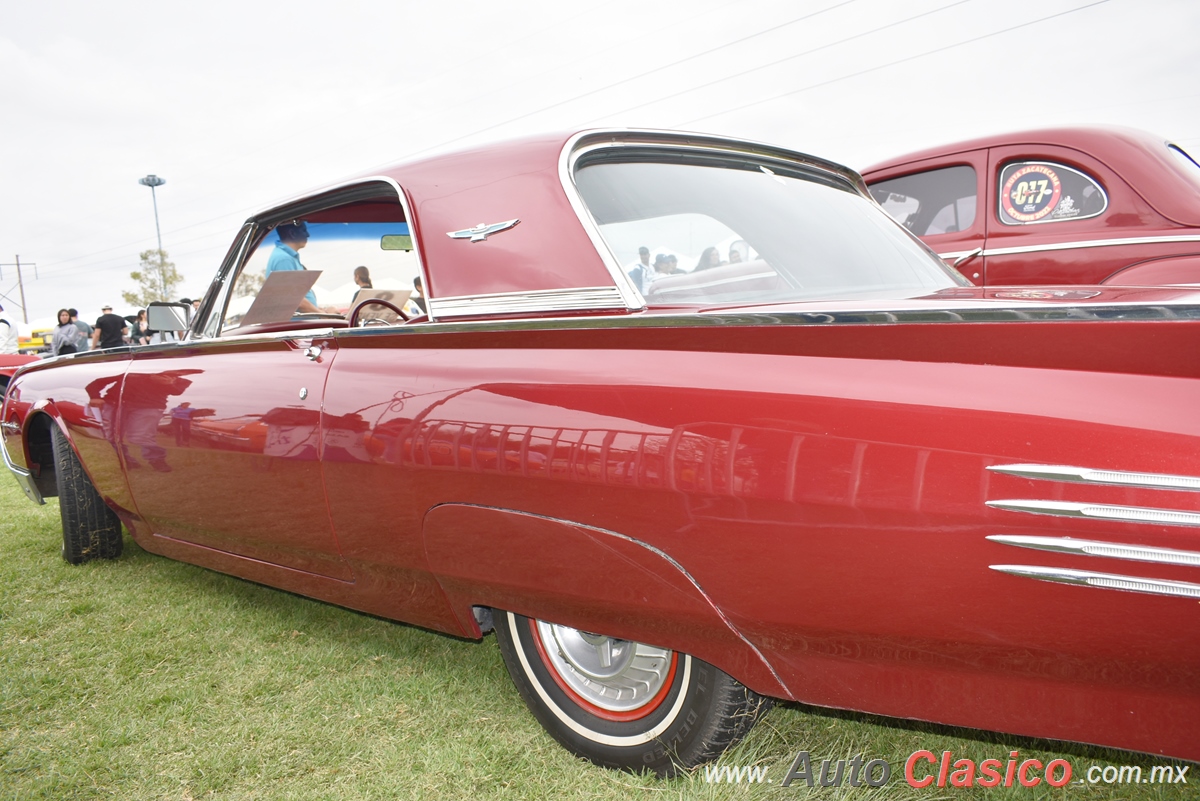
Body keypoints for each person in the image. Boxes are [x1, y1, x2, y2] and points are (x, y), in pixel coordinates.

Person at [265, 221, 323, 313]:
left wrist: (321, 310)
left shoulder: (286, 257)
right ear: (292, 233)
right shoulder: (283, 259)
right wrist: (322, 315)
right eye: (304, 231)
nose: (308, 235)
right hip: (299, 324)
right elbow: (294, 300)